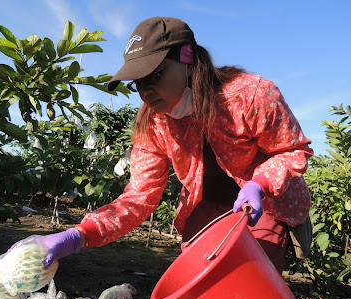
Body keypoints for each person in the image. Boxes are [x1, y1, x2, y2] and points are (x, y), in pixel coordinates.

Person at [16, 17, 314, 275]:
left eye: (154, 75)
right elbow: (138, 197)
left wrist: (259, 184)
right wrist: (81, 234)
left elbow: (290, 149)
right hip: (205, 209)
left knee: (248, 281)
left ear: (188, 59)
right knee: (199, 285)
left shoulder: (249, 95)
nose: (145, 91)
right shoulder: (153, 124)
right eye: (138, 83)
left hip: (264, 208)